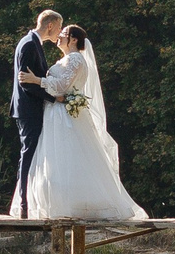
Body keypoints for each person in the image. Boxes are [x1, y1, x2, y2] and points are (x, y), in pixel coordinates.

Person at [17, 23, 146, 221]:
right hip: (55, 113)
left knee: (70, 157)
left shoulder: (76, 59)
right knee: (56, 159)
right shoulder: (65, 59)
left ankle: (79, 205)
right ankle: (58, 203)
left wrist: (36, 80)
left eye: (64, 34)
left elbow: (61, 86)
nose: (59, 37)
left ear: (74, 39)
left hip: (64, 116)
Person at [9, 10, 64, 216]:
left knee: (31, 154)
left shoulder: (31, 42)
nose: (59, 32)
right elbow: (25, 82)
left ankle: (27, 202)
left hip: (29, 109)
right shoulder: (29, 44)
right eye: (59, 26)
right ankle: (24, 204)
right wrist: (54, 98)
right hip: (28, 109)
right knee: (28, 155)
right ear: (50, 25)